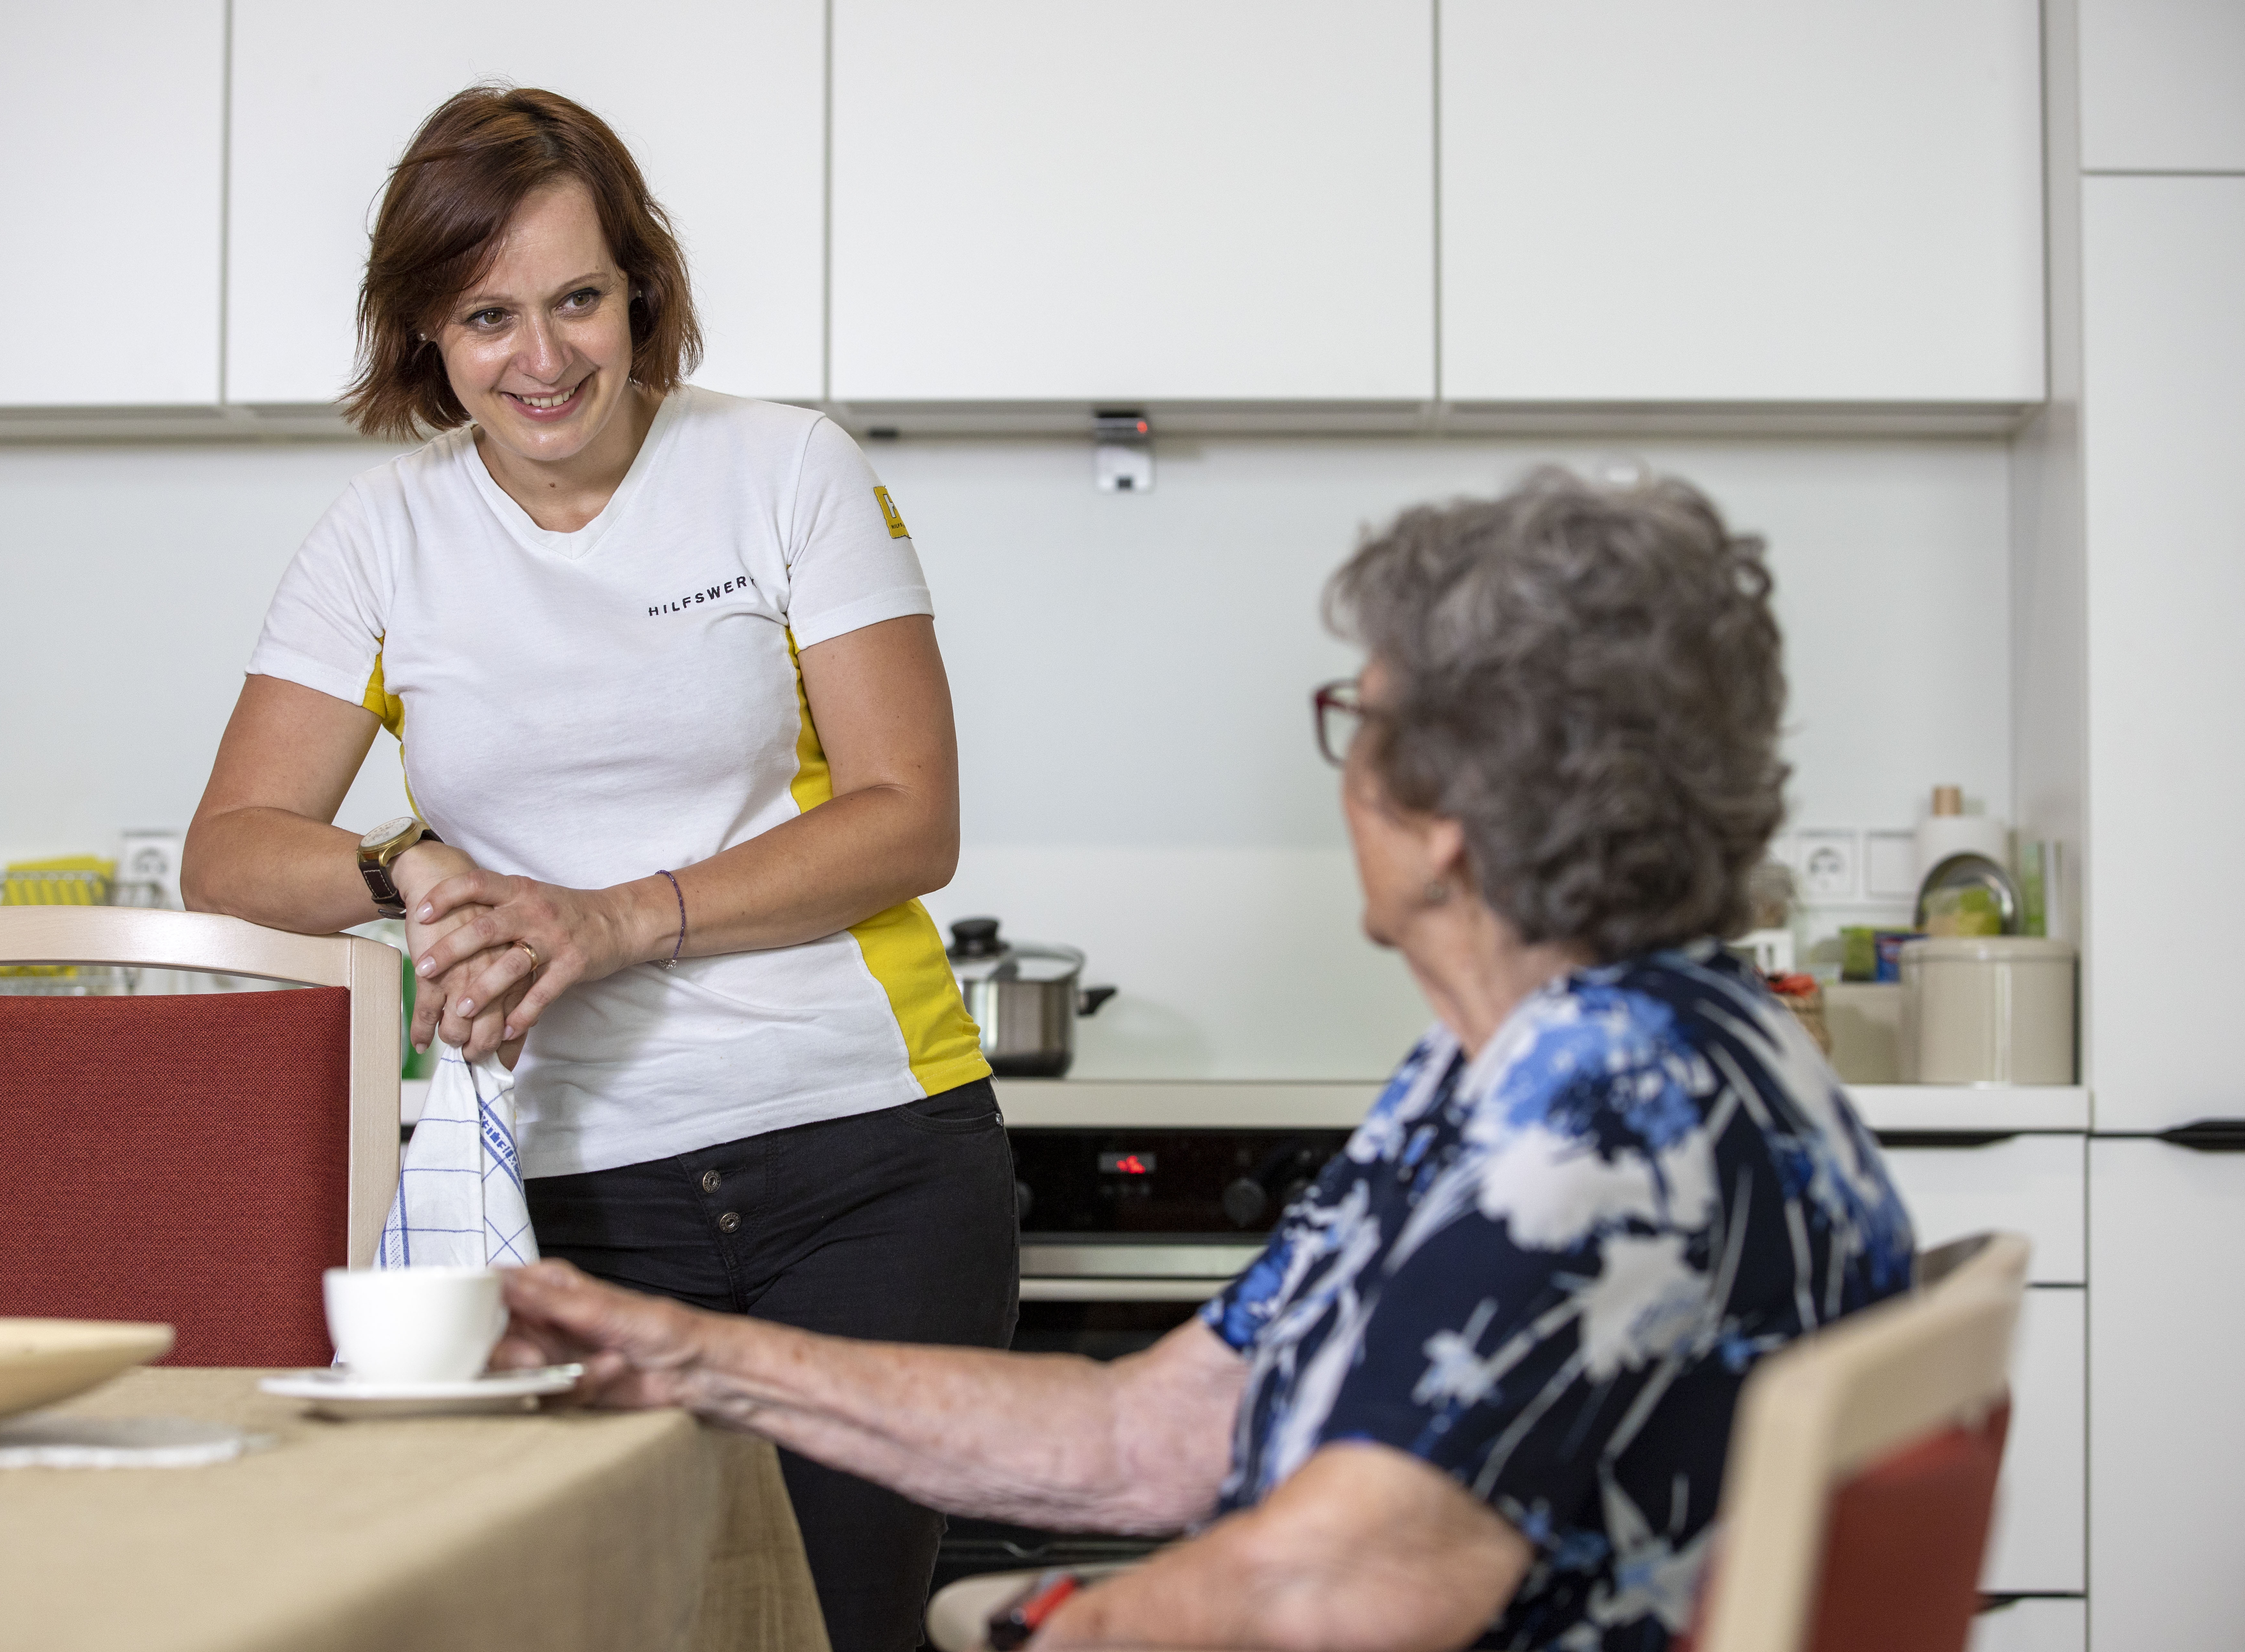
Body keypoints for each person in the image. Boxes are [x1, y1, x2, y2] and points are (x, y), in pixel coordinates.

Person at [487, 470, 1919, 1652]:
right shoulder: (1566, 1055)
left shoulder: (1599, 1121)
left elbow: (1326, 1588)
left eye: (1360, 722)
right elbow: (1145, 1432)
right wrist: (695, 1360)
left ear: (1448, 823)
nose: (1342, 767)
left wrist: (1045, 1633)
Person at [182, 87, 1014, 1652]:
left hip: (869, 1163)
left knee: (834, 1631)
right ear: (423, 331)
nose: (542, 358)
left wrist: (617, 919)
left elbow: (911, 814)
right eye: (487, 316)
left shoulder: (784, 472)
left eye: (577, 299)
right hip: (564, 1193)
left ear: (640, 285)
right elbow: (230, 853)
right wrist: (404, 868)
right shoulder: (384, 537)